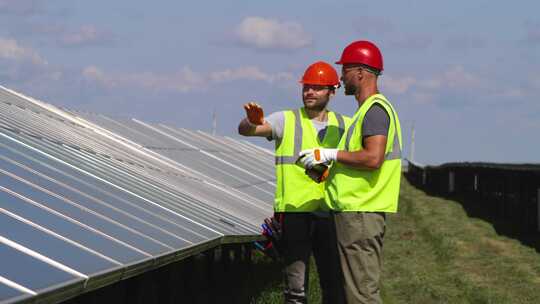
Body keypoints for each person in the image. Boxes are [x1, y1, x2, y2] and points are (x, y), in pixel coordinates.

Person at [299, 41, 403, 304]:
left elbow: (373, 157)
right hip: (355, 213)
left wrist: (329, 154)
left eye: (345, 70)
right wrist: (326, 171)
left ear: (360, 72)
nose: (341, 77)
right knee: (351, 291)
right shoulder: (366, 111)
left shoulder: (375, 111)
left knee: (361, 294)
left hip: (361, 214)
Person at [238, 61, 349, 304]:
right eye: (306, 87)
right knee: (295, 287)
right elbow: (246, 130)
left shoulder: (346, 125)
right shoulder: (285, 120)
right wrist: (251, 121)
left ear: (332, 91)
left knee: (334, 284)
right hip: (294, 214)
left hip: (330, 214)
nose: (309, 92)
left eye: (317, 88)